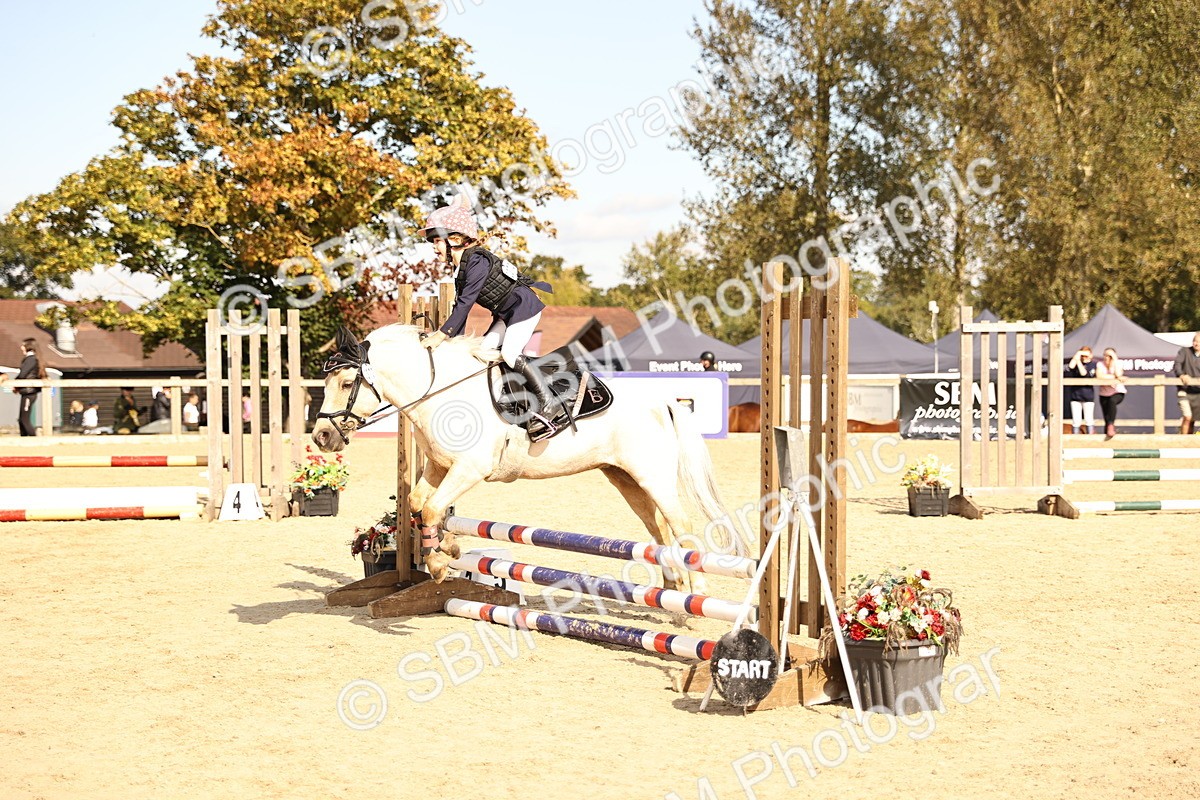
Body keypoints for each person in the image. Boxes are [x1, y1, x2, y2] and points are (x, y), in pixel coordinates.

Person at [415, 196, 562, 438]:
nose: (433, 246)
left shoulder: (477, 261)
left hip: (524, 309)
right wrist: (453, 344)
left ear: (454, 239)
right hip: (507, 314)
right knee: (482, 352)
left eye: (436, 241)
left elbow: (465, 304)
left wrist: (441, 336)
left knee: (509, 353)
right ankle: (505, 401)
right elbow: (459, 309)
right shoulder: (462, 269)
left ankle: (548, 402)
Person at [0, 338, 48, 436]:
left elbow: (23, 374)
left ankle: (32, 438)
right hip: (26, 391)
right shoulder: (32, 359)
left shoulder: (31, 359)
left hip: (29, 392)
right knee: (22, 418)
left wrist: (15, 384)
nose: (21, 348)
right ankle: (25, 437)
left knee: (24, 418)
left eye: (23, 345)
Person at [1095, 347, 1126, 441]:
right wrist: (1113, 377)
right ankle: (1107, 437)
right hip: (1104, 394)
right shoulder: (1100, 364)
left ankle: (1111, 425)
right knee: (1106, 415)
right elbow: (1099, 376)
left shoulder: (1118, 363)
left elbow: (1118, 374)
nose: (1106, 357)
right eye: (1105, 355)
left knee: (1112, 401)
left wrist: (1115, 360)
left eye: (1109, 355)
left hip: (1117, 392)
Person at [1172, 333, 1200, 435]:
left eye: (1199, 342)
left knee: (1193, 419)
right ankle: (1183, 440)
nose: (1196, 344)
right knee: (1187, 417)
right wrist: (1182, 375)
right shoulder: (1184, 351)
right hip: (1184, 391)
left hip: (1198, 392)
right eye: (1195, 341)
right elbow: (1177, 365)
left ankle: (1190, 442)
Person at [1065, 347, 1096, 434]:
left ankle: (1090, 437)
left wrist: (1079, 361)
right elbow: (1070, 367)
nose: (1084, 357)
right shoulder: (1076, 364)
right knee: (1076, 420)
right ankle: (1075, 437)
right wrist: (1077, 356)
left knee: (1089, 419)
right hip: (1076, 395)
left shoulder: (1093, 364)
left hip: (1088, 396)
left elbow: (1084, 374)